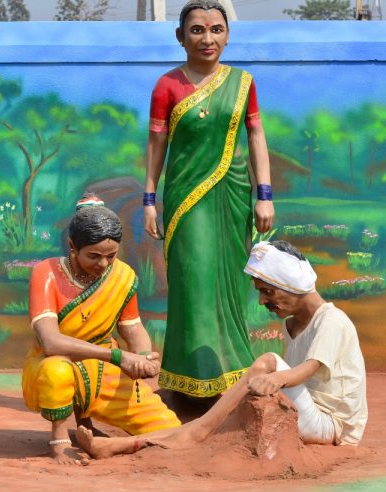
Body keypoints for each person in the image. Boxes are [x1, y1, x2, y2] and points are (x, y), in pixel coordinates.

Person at [77, 240, 368, 458]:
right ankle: (122, 445)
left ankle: (197, 430)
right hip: (308, 415)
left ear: (292, 286)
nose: (263, 302)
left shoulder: (332, 320)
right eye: (261, 293)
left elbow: (308, 369)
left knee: (266, 362)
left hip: (333, 428)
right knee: (223, 419)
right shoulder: (291, 324)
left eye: (269, 291)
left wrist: (276, 377)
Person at [142, 0, 275, 398]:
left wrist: (263, 195)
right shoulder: (167, 85)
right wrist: (149, 198)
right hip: (187, 197)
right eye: (197, 30)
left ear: (228, 35)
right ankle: (191, 381)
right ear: (180, 37)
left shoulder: (243, 83)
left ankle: (230, 374)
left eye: (216, 29)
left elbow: (255, 138)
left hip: (234, 196)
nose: (207, 38)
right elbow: (155, 144)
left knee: (230, 284)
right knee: (193, 280)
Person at [22, 194, 181, 465]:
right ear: (72, 246)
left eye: (111, 256)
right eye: (93, 256)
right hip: (53, 366)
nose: (103, 264)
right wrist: (120, 358)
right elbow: (50, 342)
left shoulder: (123, 276)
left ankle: (108, 445)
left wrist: (143, 355)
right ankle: (60, 440)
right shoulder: (46, 273)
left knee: (170, 431)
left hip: (102, 374)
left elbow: (132, 327)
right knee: (56, 369)